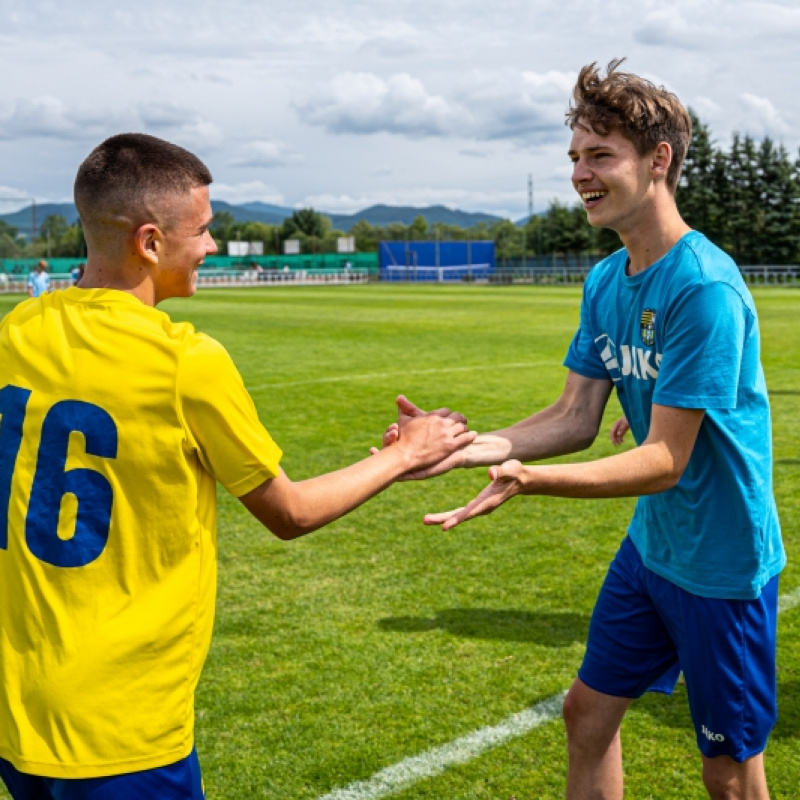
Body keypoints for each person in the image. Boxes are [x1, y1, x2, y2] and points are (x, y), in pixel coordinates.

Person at [0, 132, 475, 800]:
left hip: (19, 710)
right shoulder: (184, 361)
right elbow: (290, 512)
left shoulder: (17, 329)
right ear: (150, 242)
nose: (213, 246)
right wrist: (407, 453)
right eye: (203, 230)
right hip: (120, 723)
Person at [380, 60, 784, 799]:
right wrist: (454, 451)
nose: (580, 174)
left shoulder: (704, 288)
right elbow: (572, 418)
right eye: (573, 158)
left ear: (658, 160)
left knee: (728, 775)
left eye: (600, 155)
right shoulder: (605, 280)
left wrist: (529, 480)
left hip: (722, 566)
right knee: (586, 714)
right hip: (653, 550)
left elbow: (664, 458)